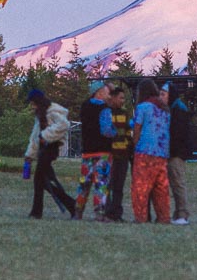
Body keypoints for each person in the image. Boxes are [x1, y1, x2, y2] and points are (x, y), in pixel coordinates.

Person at [24, 88, 75, 218]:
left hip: (52, 148)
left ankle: (37, 212)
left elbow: (64, 125)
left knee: (39, 180)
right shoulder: (40, 114)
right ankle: (71, 204)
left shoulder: (53, 111)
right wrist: (30, 154)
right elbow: (35, 135)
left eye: (33, 102)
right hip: (44, 149)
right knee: (44, 181)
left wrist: (45, 135)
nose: (32, 105)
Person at [130, 80, 172, 224]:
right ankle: (164, 217)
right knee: (161, 188)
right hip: (162, 153)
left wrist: (134, 145)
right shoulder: (165, 110)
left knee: (140, 187)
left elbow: (137, 129)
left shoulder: (142, 107)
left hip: (144, 151)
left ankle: (141, 217)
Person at [73, 81, 115, 220]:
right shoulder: (105, 109)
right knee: (101, 184)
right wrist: (116, 133)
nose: (109, 96)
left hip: (87, 151)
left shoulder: (85, 106)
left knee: (84, 183)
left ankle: (78, 211)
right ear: (99, 93)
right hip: (103, 152)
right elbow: (106, 130)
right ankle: (99, 213)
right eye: (107, 93)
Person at [104, 85, 133, 222]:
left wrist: (129, 151)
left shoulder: (125, 114)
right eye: (121, 98)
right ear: (113, 98)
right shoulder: (106, 113)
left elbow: (128, 133)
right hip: (109, 155)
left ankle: (117, 213)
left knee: (119, 186)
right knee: (107, 185)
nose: (123, 101)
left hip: (123, 155)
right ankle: (107, 211)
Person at [167, 84, 193, 224]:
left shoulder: (177, 109)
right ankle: (178, 214)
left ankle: (182, 214)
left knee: (178, 183)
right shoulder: (177, 107)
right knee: (177, 183)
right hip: (176, 152)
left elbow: (177, 134)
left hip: (176, 153)